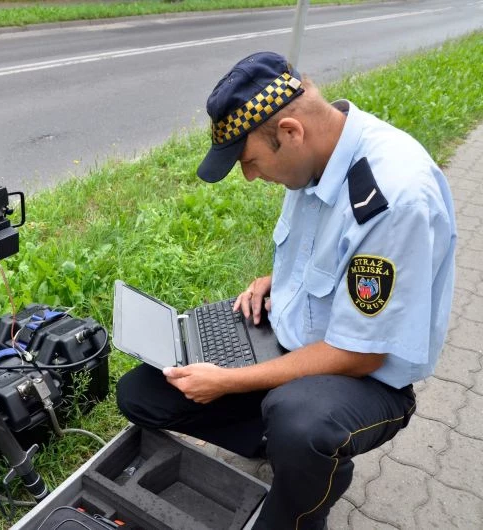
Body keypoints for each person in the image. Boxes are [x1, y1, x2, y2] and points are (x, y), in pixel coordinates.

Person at [116, 51, 456, 530]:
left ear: (291, 131)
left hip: (367, 381)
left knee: (300, 423)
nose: (250, 176)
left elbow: (361, 355)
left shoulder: (393, 196)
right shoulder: (316, 156)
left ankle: (306, 489)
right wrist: (275, 281)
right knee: (141, 394)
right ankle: (291, 451)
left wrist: (227, 381)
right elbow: (327, 253)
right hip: (288, 343)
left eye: (250, 161)